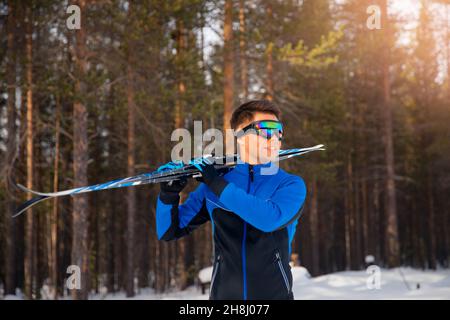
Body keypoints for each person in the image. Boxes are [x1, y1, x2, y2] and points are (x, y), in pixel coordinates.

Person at [155, 100, 307, 300]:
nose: (275, 138)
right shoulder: (214, 185)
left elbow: (269, 219)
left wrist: (217, 185)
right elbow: (168, 231)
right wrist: (169, 195)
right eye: (266, 131)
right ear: (241, 136)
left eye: (279, 131)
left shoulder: (289, 185)